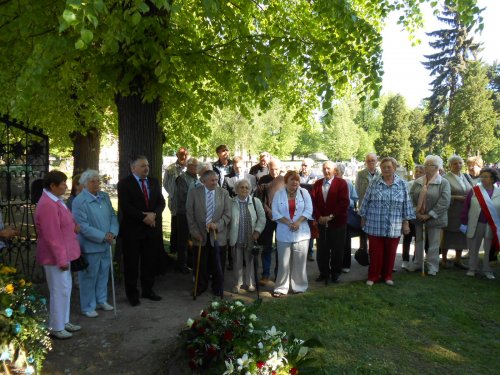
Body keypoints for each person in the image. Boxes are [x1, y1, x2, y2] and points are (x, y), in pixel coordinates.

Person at [35, 171, 81, 339]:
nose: (66, 186)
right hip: (55, 257)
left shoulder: (55, 200)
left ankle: (64, 320)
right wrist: (61, 259)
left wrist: (74, 224)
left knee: (65, 288)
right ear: (53, 186)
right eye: (62, 183)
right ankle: (56, 326)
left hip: (63, 253)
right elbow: (52, 236)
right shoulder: (48, 204)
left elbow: (65, 219)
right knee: (58, 289)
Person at [117, 156, 166, 306]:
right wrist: (144, 217)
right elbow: (126, 206)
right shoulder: (124, 184)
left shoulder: (153, 182)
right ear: (133, 168)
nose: (146, 168)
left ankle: (148, 290)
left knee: (149, 262)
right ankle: (132, 294)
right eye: (143, 166)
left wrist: (154, 215)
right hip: (132, 231)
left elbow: (161, 202)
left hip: (151, 231)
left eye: (148, 165)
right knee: (131, 263)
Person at [359, 157, 415, 286]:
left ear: (394, 168)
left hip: (394, 225)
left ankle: (387, 276)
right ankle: (373, 276)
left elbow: (406, 204)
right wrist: (363, 218)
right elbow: (366, 201)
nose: (386, 169)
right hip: (375, 223)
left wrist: (406, 222)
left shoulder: (402, 184)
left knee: (390, 252)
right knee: (375, 253)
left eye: (389, 167)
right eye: (383, 167)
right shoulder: (374, 182)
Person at [72, 170, 119, 318]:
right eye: (93, 181)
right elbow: (83, 226)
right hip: (91, 246)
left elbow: (113, 216)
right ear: (85, 184)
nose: (97, 184)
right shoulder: (79, 201)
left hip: (106, 243)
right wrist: (103, 236)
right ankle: (87, 306)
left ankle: (101, 300)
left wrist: (112, 232)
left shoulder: (104, 197)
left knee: (103, 273)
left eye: (98, 181)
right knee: (88, 277)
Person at [186, 170, 231, 296]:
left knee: (218, 263)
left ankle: (217, 287)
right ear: (203, 181)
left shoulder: (224, 193)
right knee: (200, 264)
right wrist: (194, 232)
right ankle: (200, 286)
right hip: (200, 235)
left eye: (216, 180)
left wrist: (217, 225)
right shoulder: (194, 193)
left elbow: (228, 215)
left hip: (218, 235)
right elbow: (190, 214)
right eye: (212, 180)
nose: (215, 183)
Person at [408, 155, 451, 276]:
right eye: (426, 164)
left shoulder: (443, 182)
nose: (426, 167)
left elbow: (444, 202)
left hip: (435, 218)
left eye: (429, 165)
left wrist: (429, 215)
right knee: (419, 242)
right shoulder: (418, 181)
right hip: (418, 217)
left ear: (437, 167)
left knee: (433, 244)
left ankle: (432, 266)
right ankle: (417, 263)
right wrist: (416, 211)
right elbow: (410, 197)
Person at [271, 171, 313, 297]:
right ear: (286, 181)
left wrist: (298, 222)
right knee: (283, 263)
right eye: (292, 180)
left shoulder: (304, 193)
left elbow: (309, 209)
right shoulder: (278, 194)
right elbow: (275, 212)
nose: (295, 182)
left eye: (297, 180)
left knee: (299, 262)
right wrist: (289, 223)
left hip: (302, 233)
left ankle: (299, 286)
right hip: (284, 231)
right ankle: (281, 288)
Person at [311, 161, 349, 283]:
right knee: (322, 250)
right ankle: (324, 273)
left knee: (337, 249)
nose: (326, 171)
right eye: (324, 168)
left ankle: (335, 273)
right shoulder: (317, 184)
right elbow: (313, 203)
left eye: (328, 168)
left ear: (334, 170)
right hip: (321, 223)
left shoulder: (341, 183)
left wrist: (331, 216)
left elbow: (344, 203)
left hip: (338, 223)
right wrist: (319, 217)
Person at [460, 168, 499, 280]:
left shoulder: (499, 192)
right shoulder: (474, 190)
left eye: (485, 176)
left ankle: (487, 269)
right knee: (473, 247)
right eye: (481, 176)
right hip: (476, 223)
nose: (482, 178)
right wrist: (464, 222)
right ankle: (472, 268)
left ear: (492, 179)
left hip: (492, 225)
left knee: (488, 249)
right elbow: (466, 207)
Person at [228, 179, 266, 294]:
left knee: (250, 261)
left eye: (246, 187)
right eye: (241, 187)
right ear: (236, 189)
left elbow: (262, 218)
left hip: (251, 238)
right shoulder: (231, 202)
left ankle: (250, 283)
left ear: (250, 190)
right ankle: (237, 283)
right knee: (237, 262)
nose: (244, 189)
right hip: (236, 237)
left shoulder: (256, 201)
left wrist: (257, 231)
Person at [255, 159, 284, 286]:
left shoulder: (285, 180)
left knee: (280, 247)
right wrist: (268, 211)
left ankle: (279, 274)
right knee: (266, 247)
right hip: (267, 218)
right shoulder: (262, 180)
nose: (274, 171)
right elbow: (258, 199)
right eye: (272, 169)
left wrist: (279, 213)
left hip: (282, 219)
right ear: (268, 167)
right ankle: (265, 275)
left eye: (277, 169)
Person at [441, 155, 472, 269]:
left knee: (461, 235)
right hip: (451, 211)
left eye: (460, 163)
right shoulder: (445, 178)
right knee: (448, 235)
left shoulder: (466, 177)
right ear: (449, 165)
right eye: (455, 163)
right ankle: (443, 259)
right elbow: (442, 196)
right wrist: (457, 197)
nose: (458, 165)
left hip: (464, 212)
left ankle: (458, 260)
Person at [175, 157, 199, 273]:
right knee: (183, 239)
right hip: (183, 213)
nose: (196, 168)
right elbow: (183, 196)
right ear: (189, 166)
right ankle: (181, 264)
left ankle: (190, 262)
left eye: (197, 165)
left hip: (194, 214)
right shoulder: (182, 178)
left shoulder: (196, 178)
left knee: (193, 238)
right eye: (195, 165)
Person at [163, 147, 189, 254]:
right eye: (181, 154)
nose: (183, 157)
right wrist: (173, 193)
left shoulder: (190, 167)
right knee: (175, 223)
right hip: (175, 200)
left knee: (187, 223)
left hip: (188, 200)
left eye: (185, 155)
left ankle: (186, 247)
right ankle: (174, 247)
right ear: (177, 155)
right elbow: (165, 183)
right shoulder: (170, 169)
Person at [335, 163, 358, 273]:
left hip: (345, 215)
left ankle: (346, 264)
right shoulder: (330, 183)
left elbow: (354, 199)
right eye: (334, 172)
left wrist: (346, 202)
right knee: (334, 241)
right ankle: (335, 264)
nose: (335, 175)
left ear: (342, 173)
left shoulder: (348, 183)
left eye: (337, 173)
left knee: (345, 240)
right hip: (332, 215)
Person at [355, 153, 380, 256]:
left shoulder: (381, 174)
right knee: (363, 232)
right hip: (364, 208)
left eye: (373, 161)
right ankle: (363, 254)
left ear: (376, 162)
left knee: (375, 234)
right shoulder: (360, 174)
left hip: (377, 209)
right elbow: (356, 190)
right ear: (365, 162)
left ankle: (374, 254)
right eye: (368, 161)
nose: (371, 163)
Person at [401, 164, 425, 269]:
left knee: (418, 238)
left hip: (420, 215)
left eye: (420, 172)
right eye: (416, 171)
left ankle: (416, 258)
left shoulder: (425, 184)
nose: (418, 173)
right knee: (407, 238)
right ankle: (405, 259)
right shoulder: (409, 184)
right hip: (410, 215)